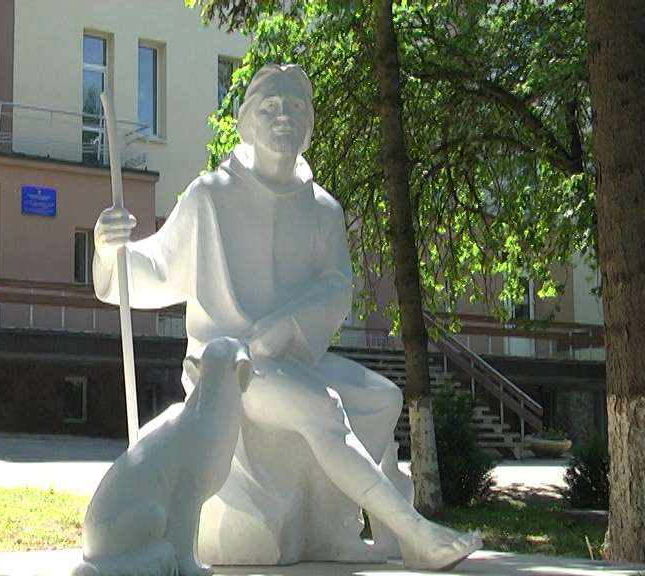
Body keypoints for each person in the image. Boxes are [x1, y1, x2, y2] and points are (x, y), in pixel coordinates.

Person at [93, 63, 481, 570]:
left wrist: (290, 325)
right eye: (270, 107)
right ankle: (416, 533)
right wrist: (110, 250)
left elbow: (336, 288)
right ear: (247, 122)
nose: (283, 117)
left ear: (309, 124)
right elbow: (153, 269)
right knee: (321, 406)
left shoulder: (323, 210)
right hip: (232, 371)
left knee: (381, 397)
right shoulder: (211, 195)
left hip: (294, 357)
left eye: (295, 107)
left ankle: (334, 529)